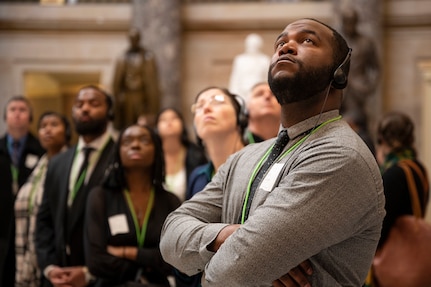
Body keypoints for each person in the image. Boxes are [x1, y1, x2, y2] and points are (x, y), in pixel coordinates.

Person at [160, 18, 385, 286]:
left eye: (307, 40)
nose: (287, 46)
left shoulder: (340, 155)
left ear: (340, 72)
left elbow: (229, 274)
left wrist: (223, 258)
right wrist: (226, 237)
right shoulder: (244, 157)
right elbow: (169, 236)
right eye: (281, 42)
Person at [36, 85, 116, 287]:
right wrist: (50, 267)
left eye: (94, 103)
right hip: (58, 276)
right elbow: (45, 220)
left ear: (109, 111)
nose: (85, 108)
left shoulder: (119, 158)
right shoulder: (58, 162)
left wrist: (90, 272)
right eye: (79, 104)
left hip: (103, 278)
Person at [84, 124, 181, 287]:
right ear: (118, 152)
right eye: (127, 142)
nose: (135, 145)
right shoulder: (100, 196)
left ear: (156, 150)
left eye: (144, 140)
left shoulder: (170, 201)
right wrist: (144, 269)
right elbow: (96, 261)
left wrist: (128, 252)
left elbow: (176, 259)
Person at [364, 111, 429, 287]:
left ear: (383, 141)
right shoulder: (418, 167)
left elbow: (379, 226)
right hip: (413, 255)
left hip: (393, 260)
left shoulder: (395, 174)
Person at [15, 111, 71, 287]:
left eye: (54, 125)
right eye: (43, 127)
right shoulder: (39, 165)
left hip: (58, 256)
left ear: (67, 131)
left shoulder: (71, 163)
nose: (47, 130)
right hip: (29, 254)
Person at [0, 96, 45, 287]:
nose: (17, 114)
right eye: (13, 110)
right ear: (5, 117)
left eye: (22, 110)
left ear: (30, 117)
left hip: (29, 229)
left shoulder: (42, 150)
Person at [112, 27, 161, 130]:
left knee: (143, 123)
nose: (133, 41)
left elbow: (152, 81)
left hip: (142, 95)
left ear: (139, 39)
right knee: (127, 123)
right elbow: (117, 81)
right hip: (127, 95)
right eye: (131, 38)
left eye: (135, 38)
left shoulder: (147, 56)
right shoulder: (122, 57)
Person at [155, 108, 207, 202]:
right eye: (163, 120)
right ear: (157, 127)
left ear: (182, 124)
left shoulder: (196, 155)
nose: (169, 122)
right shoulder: (153, 156)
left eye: (174, 118)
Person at [339, 5, 380, 124]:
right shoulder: (338, 41)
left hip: (359, 88)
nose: (349, 24)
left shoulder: (366, 42)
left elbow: (376, 68)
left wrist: (370, 86)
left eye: (351, 21)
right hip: (339, 88)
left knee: (357, 122)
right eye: (347, 21)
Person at [229, 33, 270, 101]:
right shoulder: (240, 59)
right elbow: (235, 78)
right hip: (242, 93)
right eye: (250, 44)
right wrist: (233, 95)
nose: (252, 46)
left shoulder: (265, 60)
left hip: (259, 93)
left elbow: (267, 79)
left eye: (255, 44)